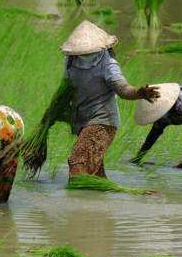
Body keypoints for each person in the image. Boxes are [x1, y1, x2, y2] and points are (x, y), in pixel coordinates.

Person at [60, 20, 160, 180]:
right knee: (96, 174)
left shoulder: (108, 65)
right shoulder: (70, 60)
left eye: (89, 50)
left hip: (103, 122)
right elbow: (65, 90)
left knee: (77, 162)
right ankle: (102, 200)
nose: (86, 54)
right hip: (83, 121)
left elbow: (123, 89)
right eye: (82, 51)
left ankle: (76, 202)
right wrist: (52, 111)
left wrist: (139, 92)